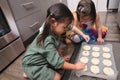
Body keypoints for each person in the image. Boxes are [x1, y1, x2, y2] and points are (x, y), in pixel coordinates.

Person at [22, 3, 85, 80]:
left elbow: (55, 48)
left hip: (41, 59)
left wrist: (61, 57)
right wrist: (75, 66)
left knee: (57, 66)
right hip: (33, 65)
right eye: (64, 27)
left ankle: (29, 73)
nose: (65, 30)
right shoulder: (47, 39)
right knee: (57, 77)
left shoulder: (53, 32)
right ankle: (30, 72)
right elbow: (57, 62)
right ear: (53, 22)